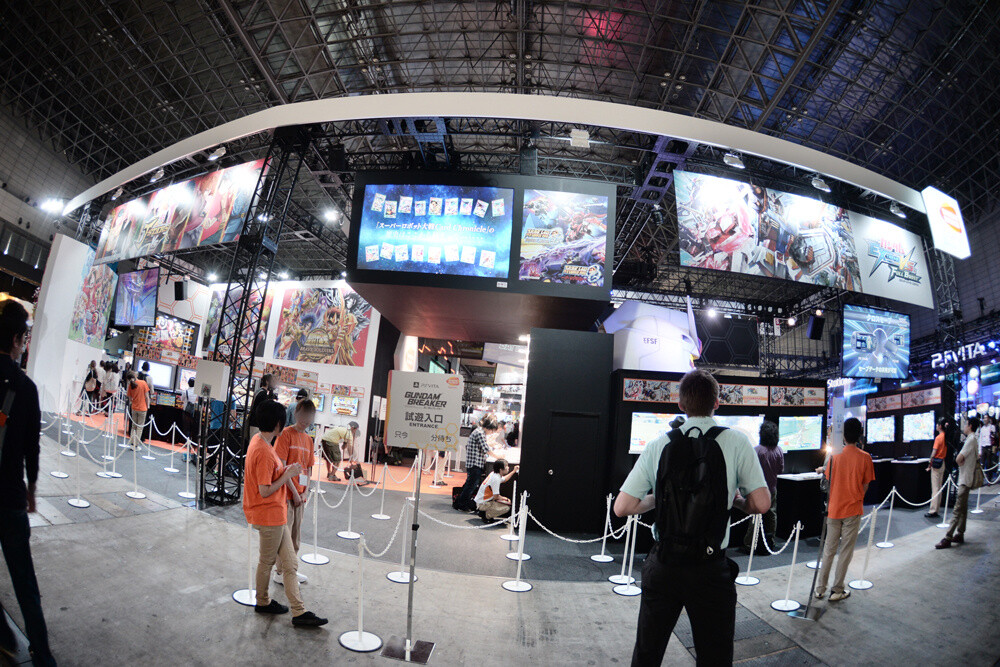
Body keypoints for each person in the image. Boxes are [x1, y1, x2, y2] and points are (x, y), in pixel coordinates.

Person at [614, 369, 770, 666]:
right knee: (714, 657)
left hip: (664, 565)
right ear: (717, 403)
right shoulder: (737, 442)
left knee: (647, 653)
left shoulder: (659, 444)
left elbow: (622, 508)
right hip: (710, 570)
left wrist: (656, 499)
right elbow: (761, 504)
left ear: (681, 405)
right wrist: (736, 501)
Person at [0, 299, 57, 666]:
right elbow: (31, 449)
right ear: (17, 340)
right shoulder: (25, 387)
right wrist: (32, 490)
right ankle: (41, 651)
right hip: (9, 496)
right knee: (24, 579)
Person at [242, 400, 326, 627]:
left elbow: (273, 475)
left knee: (289, 564)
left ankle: (298, 612)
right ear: (278, 423)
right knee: (268, 562)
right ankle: (264, 602)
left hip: (276, 515)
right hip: (269, 515)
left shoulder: (260, 441)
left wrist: (286, 472)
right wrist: (288, 475)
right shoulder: (263, 449)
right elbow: (264, 490)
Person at [814, 417, 874, 602]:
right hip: (853, 509)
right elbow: (865, 485)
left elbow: (827, 481)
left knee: (829, 549)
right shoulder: (865, 457)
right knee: (846, 551)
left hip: (834, 508)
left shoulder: (834, 456)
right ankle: (837, 590)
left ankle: (820, 589)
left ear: (843, 435)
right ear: (860, 434)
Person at [272, 399, 316, 585]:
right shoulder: (285, 435)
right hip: (286, 496)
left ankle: (291, 570)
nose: (306, 419)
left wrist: (305, 492)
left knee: (295, 538)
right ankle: (280, 572)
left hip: (301, 496)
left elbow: (308, 468)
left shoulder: (308, 440)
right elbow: (282, 467)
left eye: (310, 416)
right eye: (303, 415)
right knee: (285, 538)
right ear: (296, 414)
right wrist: (295, 493)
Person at [936, 417, 980, 549]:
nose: (964, 427)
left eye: (966, 424)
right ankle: (960, 533)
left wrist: (959, 462)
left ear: (970, 426)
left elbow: (959, 458)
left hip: (965, 479)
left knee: (957, 509)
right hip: (967, 478)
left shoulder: (970, 440)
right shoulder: (974, 439)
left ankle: (948, 537)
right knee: (963, 508)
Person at [743, 420, 783, 554]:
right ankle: (770, 540)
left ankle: (750, 543)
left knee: (755, 516)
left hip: (757, 490)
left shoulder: (756, 451)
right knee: (772, 515)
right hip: (772, 489)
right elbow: (780, 470)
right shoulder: (778, 450)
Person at [454, 415, 501, 512]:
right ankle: (461, 504)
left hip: (474, 463)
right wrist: (498, 457)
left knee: (469, 485)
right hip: (475, 464)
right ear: (489, 428)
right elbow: (486, 449)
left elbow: (485, 447)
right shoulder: (479, 433)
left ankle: (459, 503)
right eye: (492, 430)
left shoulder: (480, 432)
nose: (492, 433)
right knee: (470, 486)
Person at [925, 419, 948, 518]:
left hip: (936, 464)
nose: (936, 426)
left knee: (935, 488)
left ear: (940, 426)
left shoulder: (938, 438)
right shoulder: (946, 436)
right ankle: (936, 509)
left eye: (937, 425)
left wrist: (929, 465)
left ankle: (933, 510)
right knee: (939, 487)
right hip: (942, 463)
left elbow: (933, 453)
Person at [125, 371, 151, 450]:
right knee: (139, 427)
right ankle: (135, 445)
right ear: (135, 375)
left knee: (133, 426)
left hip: (134, 408)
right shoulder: (143, 383)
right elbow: (147, 397)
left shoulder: (130, 386)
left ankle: (132, 442)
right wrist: (148, 406)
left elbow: (130, 398)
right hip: (142, 408)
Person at [247, 374, 277, 440]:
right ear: (267, 382)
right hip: (256, 424)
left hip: (253, 422)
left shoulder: (259, 391)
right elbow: (264, 410)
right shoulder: (263, 394)